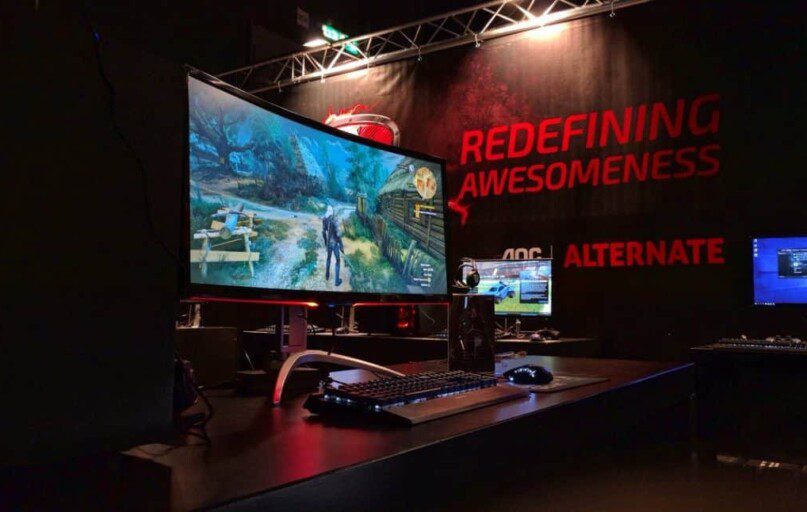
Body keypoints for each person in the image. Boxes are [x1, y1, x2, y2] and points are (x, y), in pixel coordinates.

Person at [322, 206, 343, 286]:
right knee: (338, 260)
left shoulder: (324, 219)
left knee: (328, 258)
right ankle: (337, 281)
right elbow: (338, 234)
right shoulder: (335, 220)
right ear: (333, 212)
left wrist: (326, 242)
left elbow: (324, 232)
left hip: (328, 244)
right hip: (335, 244)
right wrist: (341, 246)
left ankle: (327, 275)